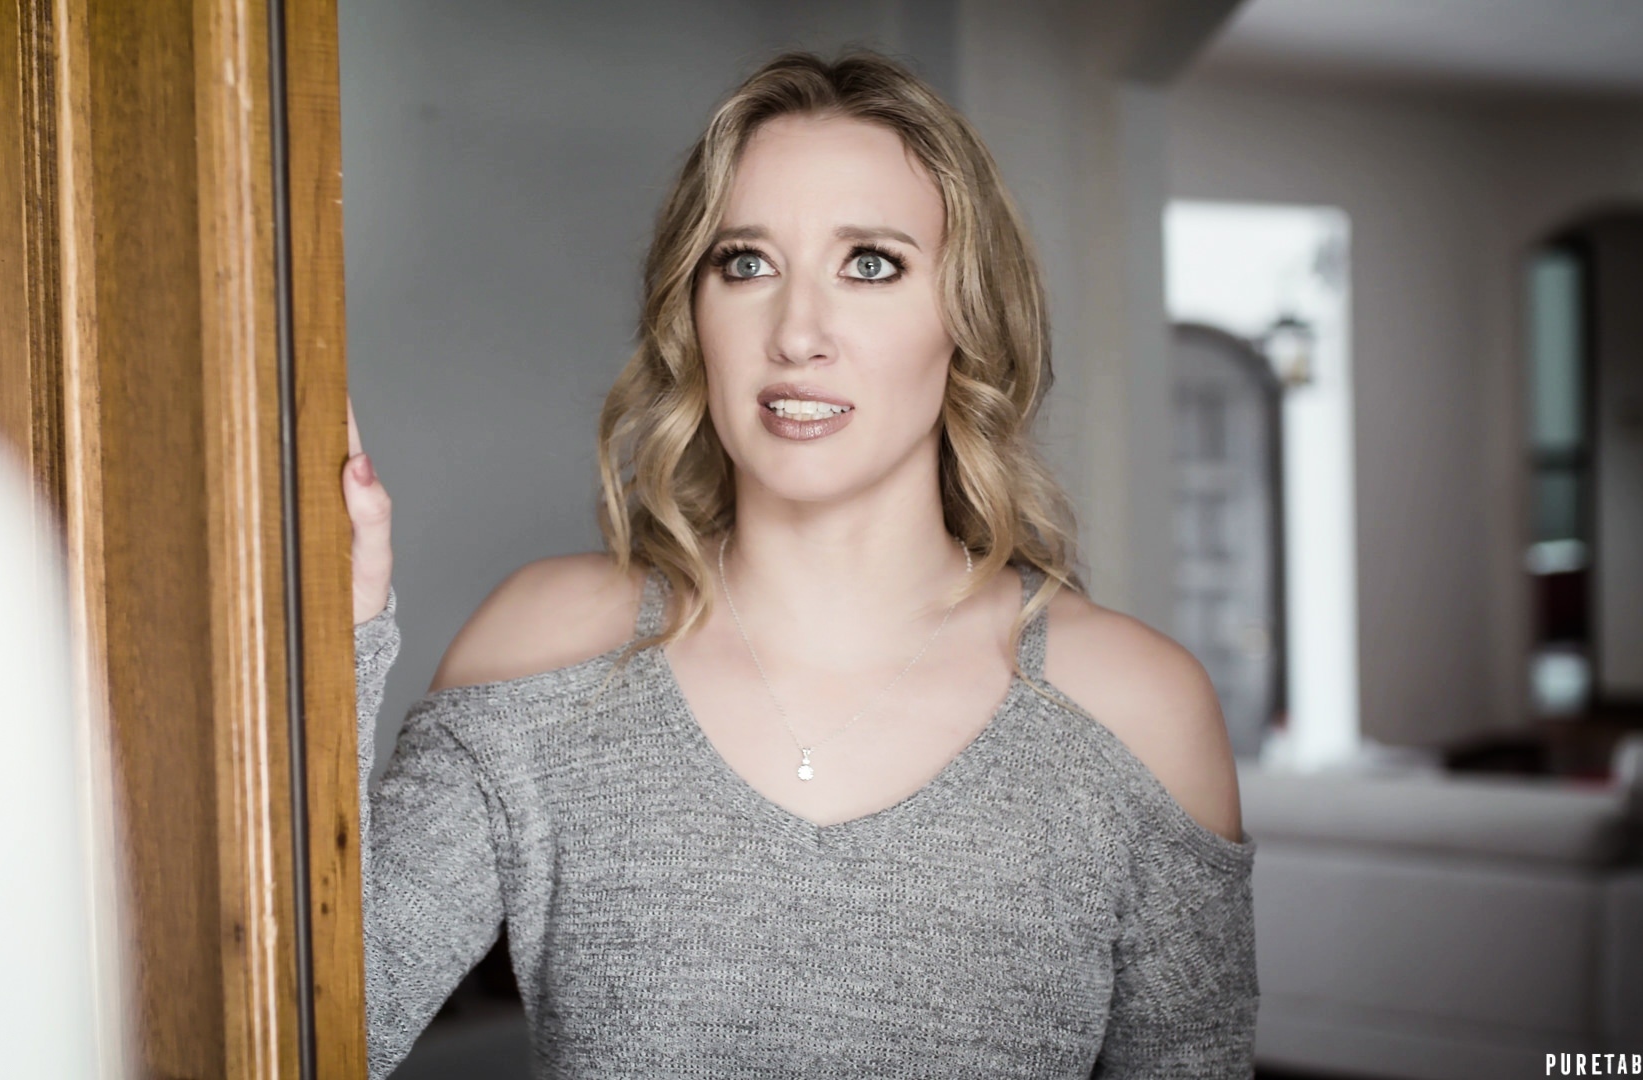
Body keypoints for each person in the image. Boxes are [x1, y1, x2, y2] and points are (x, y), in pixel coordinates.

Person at [342, 50, 1256, 1078]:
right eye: (745, 263)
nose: (797, 333)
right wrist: (331, 641)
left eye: (871, 263)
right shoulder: (546, 653)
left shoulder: (1135, 713)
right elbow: (303, 1034)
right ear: (693, 312)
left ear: (967, 317)